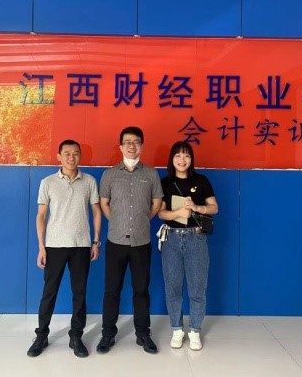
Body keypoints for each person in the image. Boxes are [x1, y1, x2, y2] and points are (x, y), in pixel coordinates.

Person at [27, 139, 102, 358]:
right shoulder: (47, 182)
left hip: (81, 246)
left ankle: (76, 336)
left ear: (80, 156)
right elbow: (41, 216)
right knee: (49, 293)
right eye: (67, 153)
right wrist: (41, 247)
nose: (71, 157)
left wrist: (96, 241)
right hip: (54, 246)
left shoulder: (89, 181)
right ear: (59, 156)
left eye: (75, 153)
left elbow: (96, 211)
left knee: (79, 293)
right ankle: (41, 335)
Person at [96, 126, 163, 354]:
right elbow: (104, 203)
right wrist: (117, 221)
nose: (131, 146)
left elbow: (156, 203)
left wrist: (142, 220)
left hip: (141, 242)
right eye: (127, 142)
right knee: (111, 290)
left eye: (136, 142)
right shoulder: (109, 174)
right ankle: (107, 334)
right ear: (121, 146)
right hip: (115, 241)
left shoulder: (151, 174)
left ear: (142, 146)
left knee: (141, 290)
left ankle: (143, 333)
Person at [157, 141, 218, 351]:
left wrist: (197, 208)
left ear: (191, 159)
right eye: (178, 155)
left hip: (196, 238)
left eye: (186, 156)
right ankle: (177, 329)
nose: (182, 160)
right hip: (171, 239)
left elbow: (214, 207)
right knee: (173, 287)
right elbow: (161, 213)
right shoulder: (165, 182)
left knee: (197, 288)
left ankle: (194, 330)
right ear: (172, 159)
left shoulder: (201, 180)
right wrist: (178, 213)